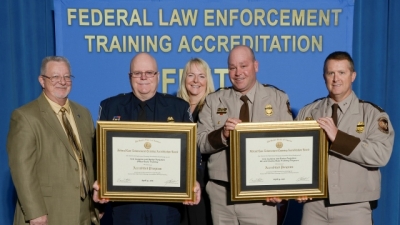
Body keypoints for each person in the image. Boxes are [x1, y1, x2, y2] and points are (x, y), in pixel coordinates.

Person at [93, 52, 201, 225]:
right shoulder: (110, 107)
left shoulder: (178, 107)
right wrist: (100, 182)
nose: (143, 77)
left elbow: (192, 153)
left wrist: (192, 180)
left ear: (157, 76)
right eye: (137, 73)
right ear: (130, 77)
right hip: (125, 205)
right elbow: (99, 153)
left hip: (166, 205)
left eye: (149, 72)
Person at [197, 45, 293, 225]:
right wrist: (223, 134)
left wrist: (283, 189)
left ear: (255, 66)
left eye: (243, 66)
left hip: (261, 197)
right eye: (232, 67)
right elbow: (200, 143)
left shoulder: (277, 98)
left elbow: (288, 146)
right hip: (222, 196)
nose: (238, 72)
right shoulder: (213, 100)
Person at [295, 51, 395, 224]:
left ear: (353, 76)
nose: (336, 79)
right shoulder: (308, 112)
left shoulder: (372, 114)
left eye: (342, 73)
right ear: (324, 76)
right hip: (314, 206)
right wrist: (296, 186)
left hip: (354, 206)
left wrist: (339, 138)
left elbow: (380, 155)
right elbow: (295, 155)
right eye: (330, 73)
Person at [7, 56, 98, 225]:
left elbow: (91, 160)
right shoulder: (25, 117)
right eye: (55, 77)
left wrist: (96, 205)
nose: (62, 82)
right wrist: (35, 212)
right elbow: (22, 168)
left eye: (67, 76)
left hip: (83, 212)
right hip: (47, 213)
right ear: (42, 81)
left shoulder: (83, 113)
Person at [177, 58, 215, 225]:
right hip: (178, 181)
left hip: (204, 180)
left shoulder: (213, 109)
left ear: (208, 80)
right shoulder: (175, 108)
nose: (195, 81)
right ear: (184, 78)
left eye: (201, 76)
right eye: (191, 75)